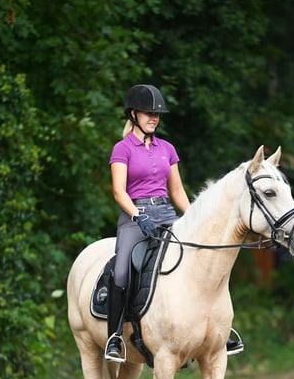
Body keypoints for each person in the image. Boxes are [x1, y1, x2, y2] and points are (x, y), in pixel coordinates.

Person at [104, 84, 244, 362]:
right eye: (148, 113)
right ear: (133, 114)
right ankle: (115, 336)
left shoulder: (167, 148)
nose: (154, 118)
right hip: (136, 216)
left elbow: (177, 190)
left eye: (157, 114)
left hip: (167, 213)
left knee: (202, 258)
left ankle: (217, 329)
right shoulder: (122, 149)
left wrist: (196, 217)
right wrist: (138, 216)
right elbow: (119, 191)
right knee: (122, 271)